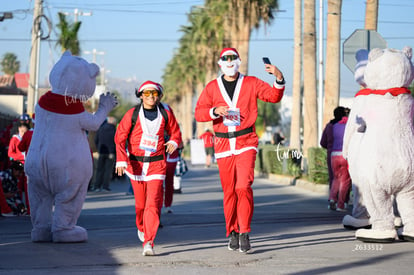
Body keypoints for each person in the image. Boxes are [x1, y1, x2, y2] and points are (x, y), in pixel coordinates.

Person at [194, 47, 285, 253]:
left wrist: (279, 77)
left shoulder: (251, 82)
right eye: (225, 58)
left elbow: (273, 96)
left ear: (239, 61)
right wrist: (214, 110)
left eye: (232, 58)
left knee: (243, 186)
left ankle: (244, 231)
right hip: (224, 144)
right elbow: (199, 113)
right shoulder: (212, 87)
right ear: (220, 63)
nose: (229, 61)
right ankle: (232, 231)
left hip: (246, 141)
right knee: (229, 192)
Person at [115, 80, 182, 256]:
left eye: (154, 93)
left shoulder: (166, 114)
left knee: (152, 203)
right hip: (135, 165)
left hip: (157, 164)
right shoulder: (132, 114)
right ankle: (142, 226)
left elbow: (176, 132)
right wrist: (121, 160)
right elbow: (120, 137)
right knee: (140, 206)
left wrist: (174, 141)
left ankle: (149, 242)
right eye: (146, 93)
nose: (151, 96)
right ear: (141, 96)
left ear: (159, 96)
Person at [328, 108, 351, 212]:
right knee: (345, 181)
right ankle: (340, 205)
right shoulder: (350, 126)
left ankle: (332, 198)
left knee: (336, 179)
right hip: (345, 154)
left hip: (334, 154)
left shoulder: (335, 126)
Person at [320, 106, 347, 189]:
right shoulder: (346, 125)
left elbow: (322, 142)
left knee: (333, 177)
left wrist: (329, 147)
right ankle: (344, 199)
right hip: (345, 153)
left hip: (332, 154)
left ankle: (333, 197)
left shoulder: (329, 126)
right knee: (345, 177)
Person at [93, 116, 117, 192]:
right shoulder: (114, 130)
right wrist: (113, 151)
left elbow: (96, 139)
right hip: (111, 153)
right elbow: (116, 142)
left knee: (99, 170)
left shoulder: (101, 129)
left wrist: (98, 148)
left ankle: (97, 186)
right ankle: (105, 187)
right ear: (113, 122)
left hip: (101, 152)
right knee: (108, 170)